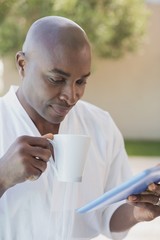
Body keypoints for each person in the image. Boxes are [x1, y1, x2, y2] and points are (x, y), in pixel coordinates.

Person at [0, 16, 160, 240]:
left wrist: (136, 213)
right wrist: (2, 178)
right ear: (22, 65)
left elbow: (107, 215)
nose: (71, 96)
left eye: (81, 82)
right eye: (56, 79)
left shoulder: (100, 125)